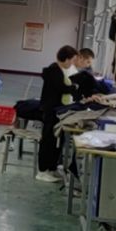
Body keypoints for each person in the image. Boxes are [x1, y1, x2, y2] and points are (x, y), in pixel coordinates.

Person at [37, 45, 79, 184]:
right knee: (48, 141)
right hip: (51, 111)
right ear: (66, 59)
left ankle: (52, 167)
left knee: (56, 141)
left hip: (57, 110)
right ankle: (42, 171)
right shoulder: (53, 71)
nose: (72, 63)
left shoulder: (60, 71)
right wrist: (74, 87)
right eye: (72, 60)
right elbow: (62, 88)